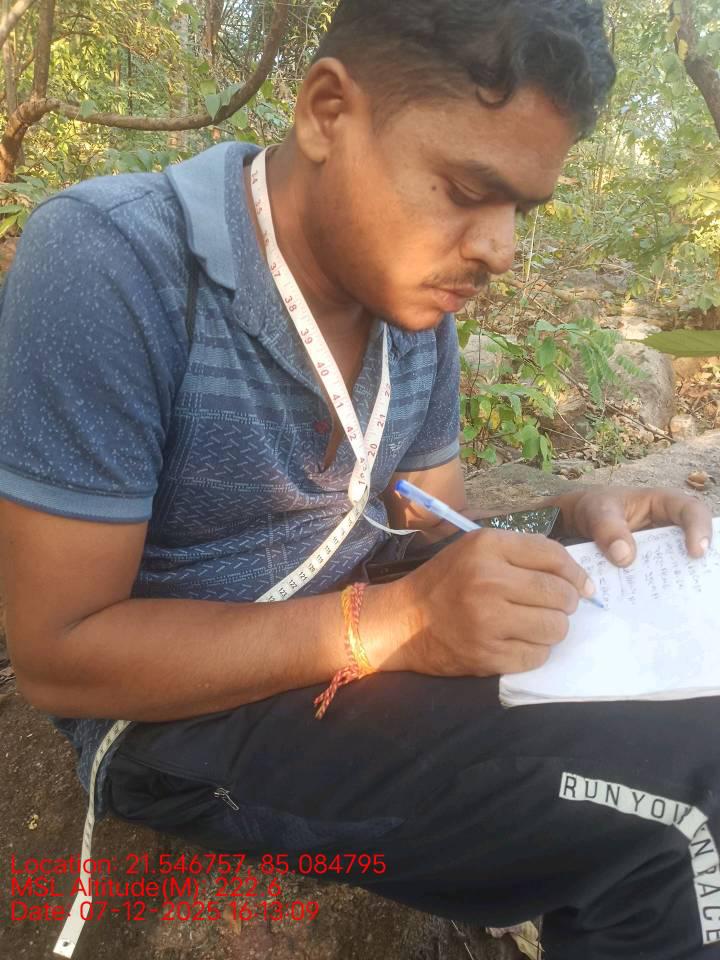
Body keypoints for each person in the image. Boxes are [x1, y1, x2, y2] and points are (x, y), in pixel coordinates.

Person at [0, 1, 717, 957]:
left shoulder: (412, 306)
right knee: (675, 824)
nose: (500, 249)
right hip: (179, 721)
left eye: (521, 211)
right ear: (327, 112)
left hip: (362, 639)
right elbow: (59, 656)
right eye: (468, 189)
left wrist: (566, 528)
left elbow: (431, 526)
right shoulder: (114, 261)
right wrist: (396, 621)